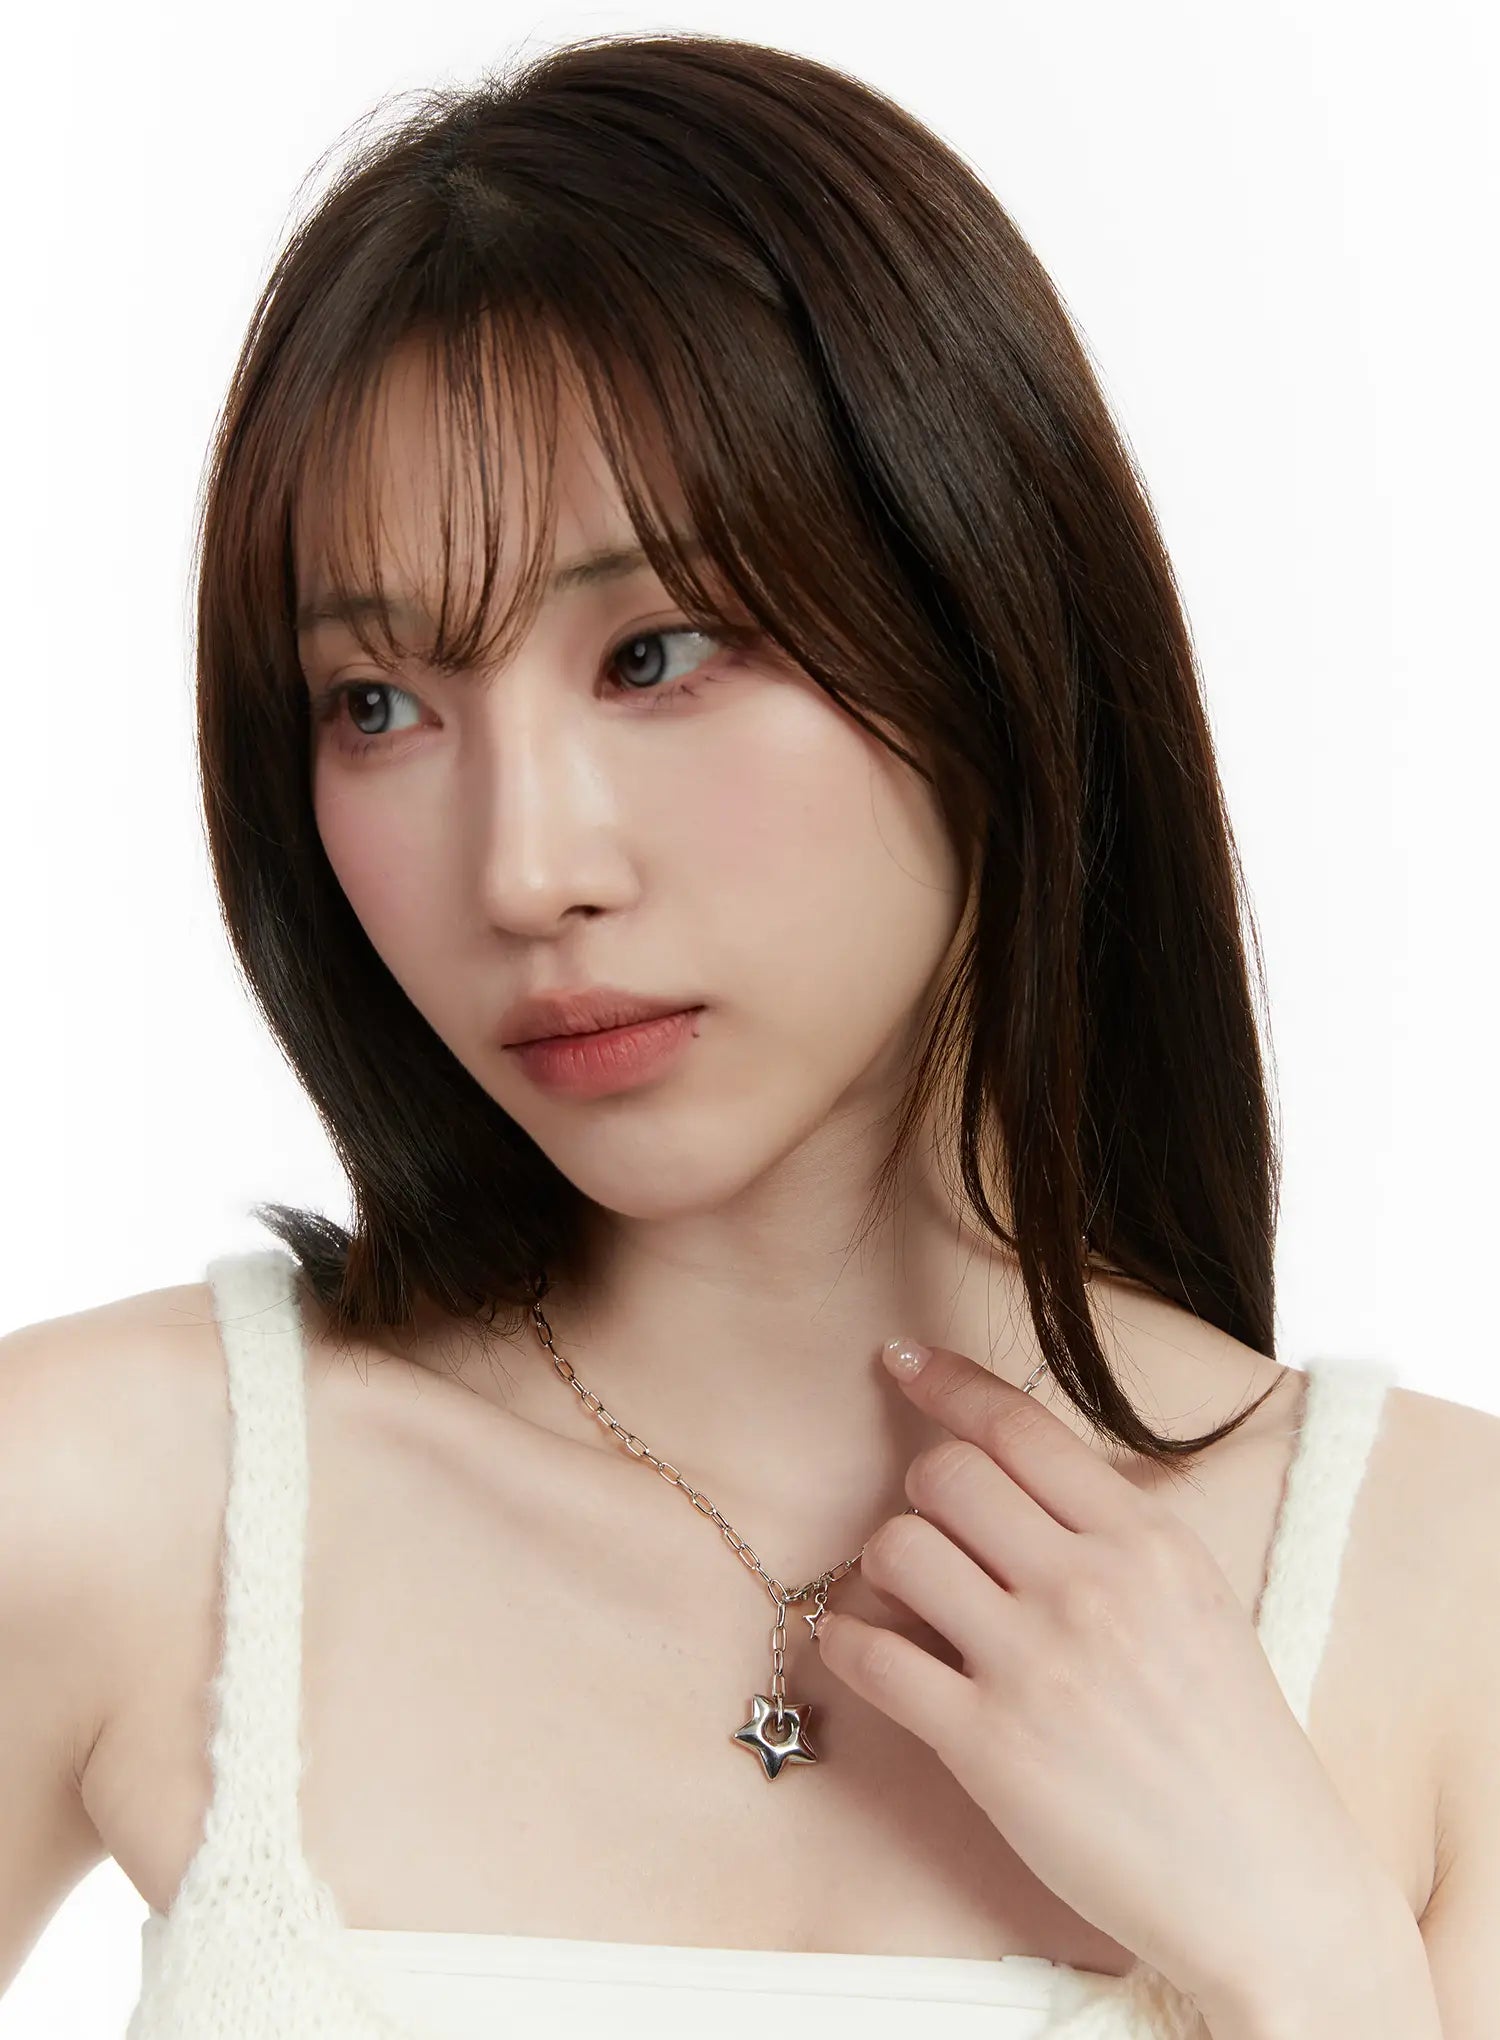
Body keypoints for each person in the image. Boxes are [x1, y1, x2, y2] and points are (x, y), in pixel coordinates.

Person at [1, 28, 1491, 2040]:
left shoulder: (1447, 1601)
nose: (525, 868)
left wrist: (1314, 1966)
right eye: (378, 703)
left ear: (990, 626)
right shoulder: (112, 1499)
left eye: (657, 652)